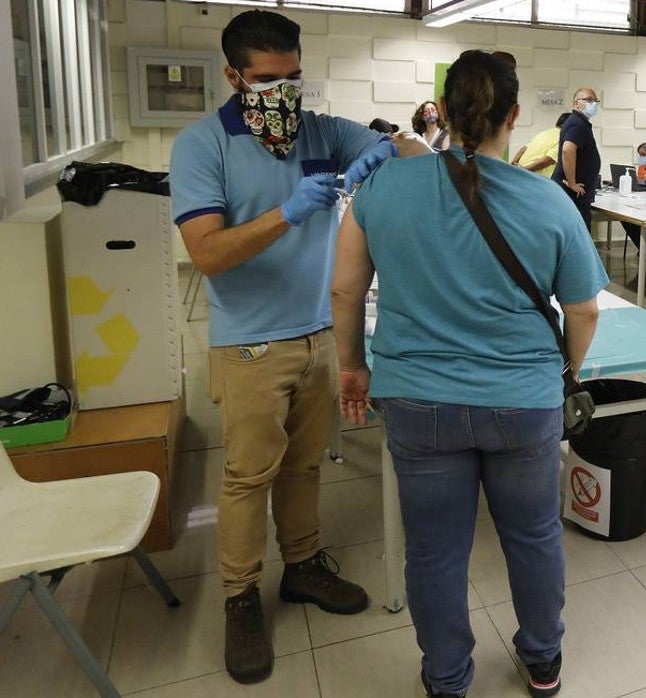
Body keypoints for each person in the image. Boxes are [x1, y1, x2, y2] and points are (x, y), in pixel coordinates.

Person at [331, 50, 608, 698]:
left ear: (444, 114)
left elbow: (345, 293)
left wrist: (351, 368)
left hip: (417, 403)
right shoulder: (548, 202)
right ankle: (543, 662)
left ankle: (447, 677)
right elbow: (585, 309)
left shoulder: (380, 190)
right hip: (522, 405)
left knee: (433, 550)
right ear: (513, 115)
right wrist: (561, 371)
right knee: (534, 537)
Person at [169, 9, 393, 685]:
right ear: (233, 75)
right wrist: (286, 213)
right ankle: (240, 598)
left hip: (320, 333)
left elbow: (405, 146)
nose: (285, 92)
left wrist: (395, 146)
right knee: (247, 476)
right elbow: (207, 254)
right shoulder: (201, 145)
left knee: (304, 468)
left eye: (295, 75)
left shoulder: (320, 130)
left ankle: (302, 567)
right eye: (268, 80)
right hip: (249, 346)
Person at [552, 86, 601, 230]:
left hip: (575, 192)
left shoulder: (579, 122)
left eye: (595, 100)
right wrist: (572, 183)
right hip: (572, 192)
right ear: (576, 103)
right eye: (588, 100)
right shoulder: (578, 124)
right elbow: (568, 150)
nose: (593, 104)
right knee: (579, 232)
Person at [511, 112, 569, 178]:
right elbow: (546, 161)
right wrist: (523, 170)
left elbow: (523, 149)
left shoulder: (544, 133)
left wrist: (513, 166)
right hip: (533, 178)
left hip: (521, 173)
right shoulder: (563, 138)